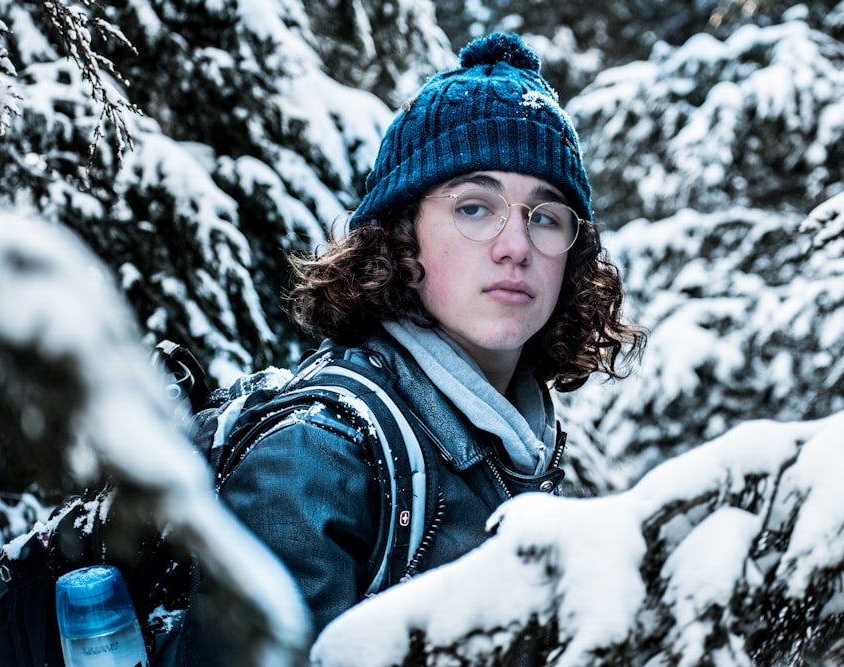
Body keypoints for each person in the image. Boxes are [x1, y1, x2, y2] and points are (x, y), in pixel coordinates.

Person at [174, 31, 645, 663]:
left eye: (546, 215)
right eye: (475, 208)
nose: (516, 245)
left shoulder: (522, 442)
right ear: (402, 238)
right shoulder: (317, 460)